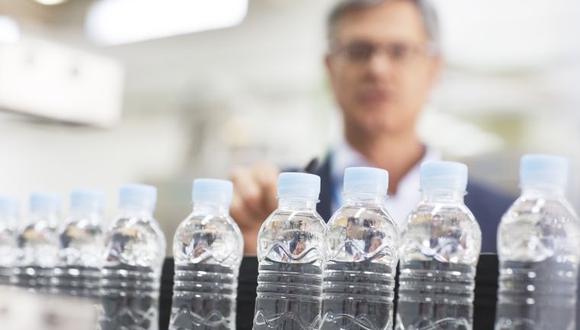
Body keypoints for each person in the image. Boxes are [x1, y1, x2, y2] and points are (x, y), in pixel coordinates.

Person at [230, 0, 513, 255]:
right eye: (358, 51)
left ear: (434, 69)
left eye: (399, 51)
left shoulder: (504, 221)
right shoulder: (277, 207)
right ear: (330, 69)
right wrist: (250, 263)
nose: (377, 68)